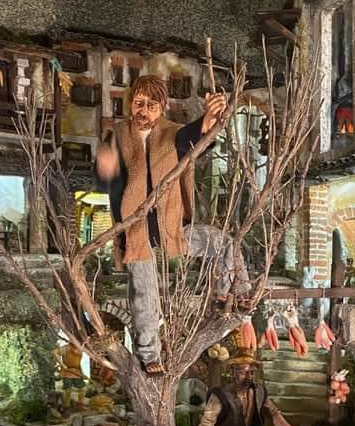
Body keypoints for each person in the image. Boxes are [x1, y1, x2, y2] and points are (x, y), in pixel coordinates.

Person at [95, 75, 250, 376]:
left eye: (151, 105)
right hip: (136, 230)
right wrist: (105, 167)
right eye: (139, 103)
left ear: (162, 107)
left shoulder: (171, 133)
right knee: (144, 294)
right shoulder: (117, 135)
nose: (143, 111)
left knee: (221, 243)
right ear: (130, 104)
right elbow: (105, 182)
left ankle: (233, 293)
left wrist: (209, 120)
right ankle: (149, 354)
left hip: (171, 226)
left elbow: (192, 138)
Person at [198, 348, 305, 426]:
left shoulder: (258, 392)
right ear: (232, 371)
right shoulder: (220, 396)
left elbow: (273, 413)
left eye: (252, 372)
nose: (248, 377)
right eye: (243, 372)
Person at [53, 342, 86, 411]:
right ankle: (66, 408)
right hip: (67, 372)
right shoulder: (66, 348)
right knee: (68, 390)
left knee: (83, 389)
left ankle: (80, 405)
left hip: (76, 372)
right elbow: (54, 352)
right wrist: (62, 364)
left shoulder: (79, 349)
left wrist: (82, 373)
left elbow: (78, 363)